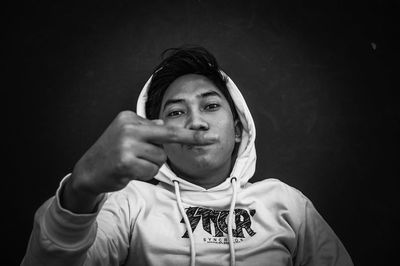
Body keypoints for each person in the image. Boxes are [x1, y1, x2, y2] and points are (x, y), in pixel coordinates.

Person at [21, 46, 353, 266]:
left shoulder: (287, 202)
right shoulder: (129, 203)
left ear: (238, 129)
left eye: (210, 106)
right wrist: (80, 189)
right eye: (177, 112)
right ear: (156, 132)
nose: (196, 121)